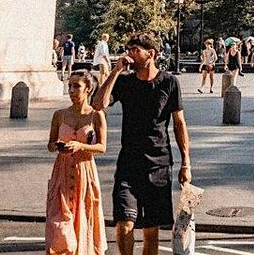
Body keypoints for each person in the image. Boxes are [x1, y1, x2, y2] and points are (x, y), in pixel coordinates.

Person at [96, 33, 191, 255]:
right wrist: (116, 70)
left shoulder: (169, 82)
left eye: (135, 50)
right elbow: (98, 104)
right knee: (124, 223)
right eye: (128, 49)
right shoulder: (124, 81)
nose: (129, 54)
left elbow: (179, 124)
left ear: (151, 54)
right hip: (129, 163)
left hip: (158, 164)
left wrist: (186, 162)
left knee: (150, 230)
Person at [46, 71, 107, 255]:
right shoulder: (59, 115)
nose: (71, 90)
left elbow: (102, 147)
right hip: (62, 171)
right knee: (59, 220)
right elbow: (49, 144)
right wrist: (57, 146)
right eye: (70, 86)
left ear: (88, 89)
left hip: (84, 171)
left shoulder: (95, 115)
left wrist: (81, 145)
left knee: (83, 216)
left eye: (76, 86)